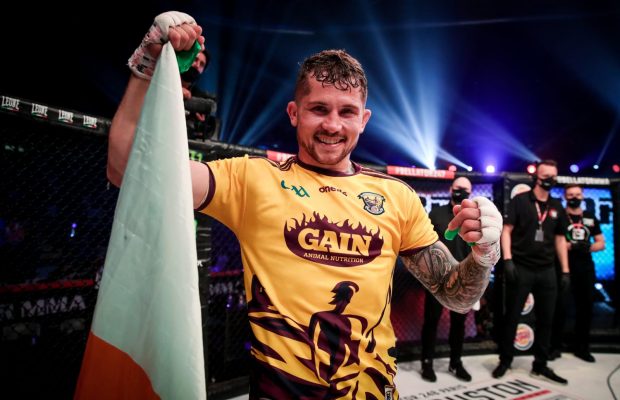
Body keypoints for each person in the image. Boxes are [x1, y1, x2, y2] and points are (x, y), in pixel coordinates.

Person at [108, 11, 503, 398]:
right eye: (319, 109)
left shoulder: (396, 196)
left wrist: (484, 254)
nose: (333, 124)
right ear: (294, 113)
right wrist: (147, 66)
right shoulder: (252, 178)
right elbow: (127, 169)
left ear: (364, 119)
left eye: (347, 112)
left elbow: (456, 295)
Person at [493, 160, 569, 385]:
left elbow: (560, 239)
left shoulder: (556, 205)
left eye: (553, 176)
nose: (550, 180)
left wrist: (565, 270)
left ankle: (540, 364)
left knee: (547, 319)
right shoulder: (520, 200)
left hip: (547, 270)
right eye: (546, 176)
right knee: (512, 317)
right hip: (522, 267)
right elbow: (506, 230)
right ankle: (505, 360)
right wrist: (507, 260)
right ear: (537, 177)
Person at [420, 177, 474, 383]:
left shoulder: (473, 218)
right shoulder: (436, 214)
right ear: (451, 189)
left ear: (471, 193)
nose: (461, 192)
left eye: (466, 190)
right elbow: (425, 243)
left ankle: (455, 362)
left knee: (459, 323)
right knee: (431, 321)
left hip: (462, 279)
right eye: (458, 188)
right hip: (437, 277)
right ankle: (427, 362)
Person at [562, 184, 605, 362]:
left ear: (582, 196)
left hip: (586, 269)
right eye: (571, 194)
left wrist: (588, 247)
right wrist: (570, 246)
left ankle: (582, 348)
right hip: (564, 268)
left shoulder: (590, 217)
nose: (574, 197)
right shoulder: (560, 216)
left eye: (577, 194)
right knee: (560, 307)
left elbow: (601, 243)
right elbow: (554, 242)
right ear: (565, 196)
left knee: (585, 308)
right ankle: (555, 346)